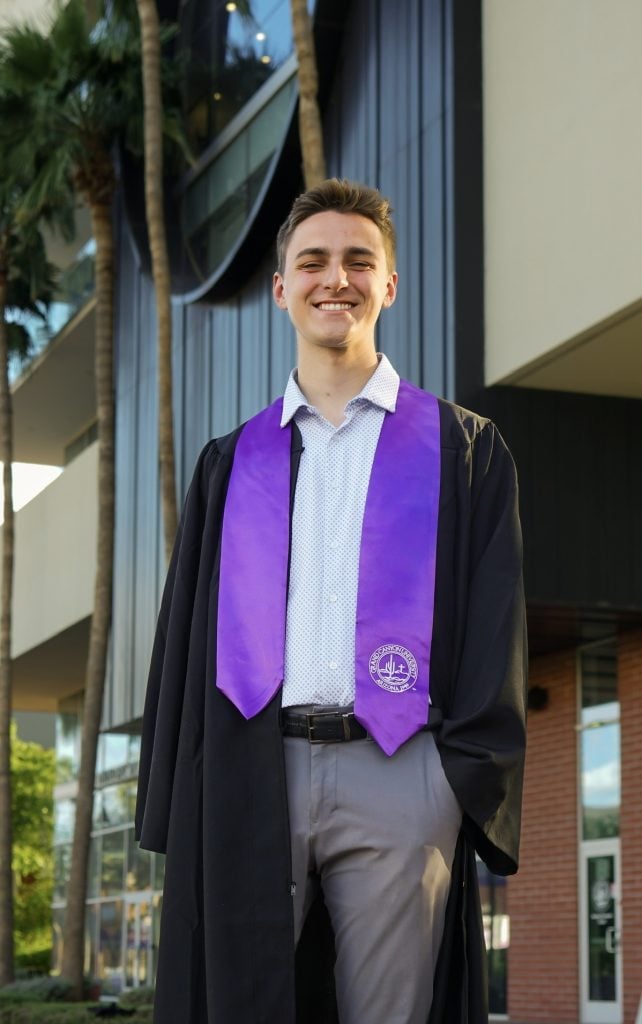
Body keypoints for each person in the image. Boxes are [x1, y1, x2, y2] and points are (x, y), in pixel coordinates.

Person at [135, 179, 527, 1024]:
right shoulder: (231, 463)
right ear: (282, 288)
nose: (335, 279)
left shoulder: (461, 449)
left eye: (359, 260)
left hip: (400, 767)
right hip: (253, 767)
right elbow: (186, 640)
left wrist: (451, 781)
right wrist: (185, 785)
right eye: (312, 261)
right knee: (239, 1002)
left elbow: (497, 627)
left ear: (390, 284)